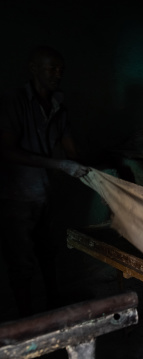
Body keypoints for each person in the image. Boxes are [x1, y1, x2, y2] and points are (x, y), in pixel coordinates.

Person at [0, 46, 89, 318]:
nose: (57, 74)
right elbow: (6, 151)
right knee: (20, 261)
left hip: (46, 192)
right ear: (34, 68)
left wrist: (92, 170)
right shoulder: (15, 102)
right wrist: (60, 164)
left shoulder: (59, 107)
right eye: (51, 68)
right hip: (16, 195)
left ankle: (53, 303)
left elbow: (72, 152)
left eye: (60, 69)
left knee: (48, 252)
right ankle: (27, 319)